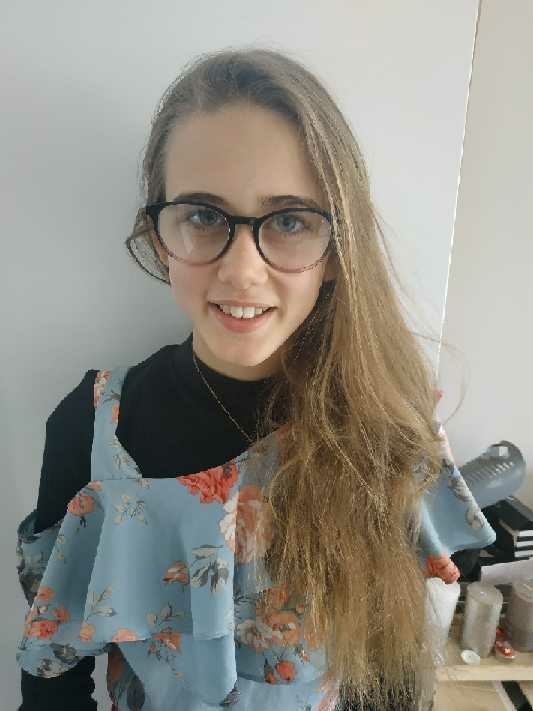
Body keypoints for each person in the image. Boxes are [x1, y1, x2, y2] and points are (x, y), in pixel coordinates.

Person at [15, 47, 496, 711]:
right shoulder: (93, 426)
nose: (242, 271)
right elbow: (53, 672)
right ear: (158, 235)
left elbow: (388, 666)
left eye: (291, 220)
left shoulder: (385, 418)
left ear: (337, 249)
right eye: (203, 216)